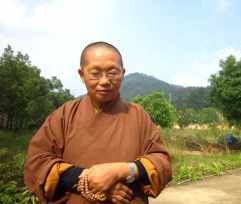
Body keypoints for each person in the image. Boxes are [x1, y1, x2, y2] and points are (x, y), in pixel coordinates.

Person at [24, 41, 172, 204]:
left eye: (112, 72)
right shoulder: (64, 115)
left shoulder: (138, 115)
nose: (104, 81)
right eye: (95, 73)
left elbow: (161, 162)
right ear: (82, 75)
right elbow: (37, 163)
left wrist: (122, 170)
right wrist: (89, 181)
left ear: (122, 73)